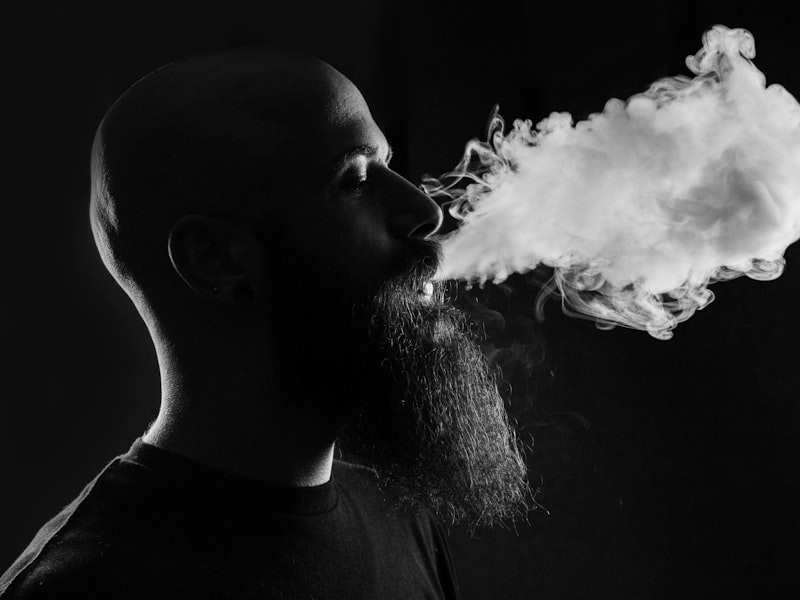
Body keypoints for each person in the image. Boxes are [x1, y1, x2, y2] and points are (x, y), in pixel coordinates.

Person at [0, 48, 529, 599]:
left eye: (389, 165)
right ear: (217, 258)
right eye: (355, 179)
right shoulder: (85, 588)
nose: (427, 211)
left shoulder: (401, 520)